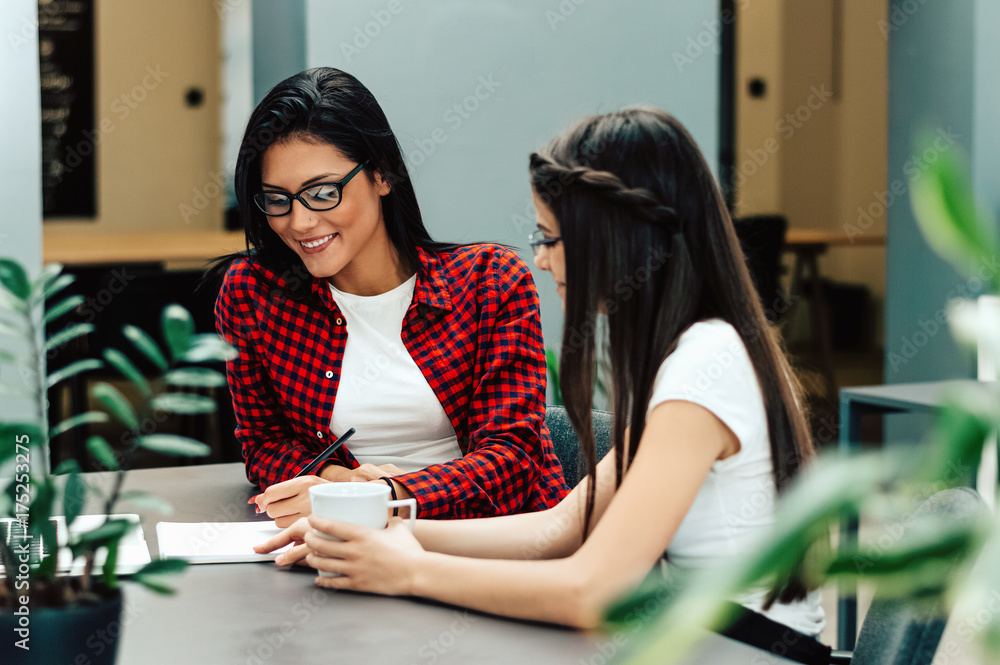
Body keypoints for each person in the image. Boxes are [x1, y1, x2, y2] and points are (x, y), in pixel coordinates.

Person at [257, 107, 829, 656]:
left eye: (551, 238)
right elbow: (561, 526)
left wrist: (409, 569)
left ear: (621, 237)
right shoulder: (694, 353)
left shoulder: (707, 367)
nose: (541, 261)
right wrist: (377, 523)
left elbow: (591, 590)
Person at [213, 67, 568, 525]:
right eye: (277, 199)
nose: (299, 222)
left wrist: (389, 496)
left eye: (323, 192)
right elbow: (264, 443)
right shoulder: (253, 294)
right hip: (347, 538)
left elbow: (513, 459)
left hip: (493, 540)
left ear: (381, 174)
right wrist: (341, 488)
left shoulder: (490, 282)